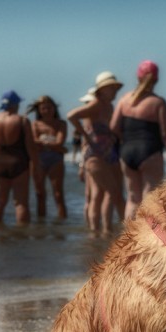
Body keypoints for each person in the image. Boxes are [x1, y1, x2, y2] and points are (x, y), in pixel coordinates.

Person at [111, 60, 166, 220]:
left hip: (127, 152)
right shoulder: (158, 102)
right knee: (149, 199)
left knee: (132, 198)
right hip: (150, 152)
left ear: (137, 76)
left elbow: (113, 127)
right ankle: (146, 239)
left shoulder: (124, 99)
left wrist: (126, 141)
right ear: (156, 80)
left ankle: (128, 239)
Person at [68, 72, 125, 235]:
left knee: (107, 193)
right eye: (111, 88)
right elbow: (71, 116)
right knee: (113, 194)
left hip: (110, 153)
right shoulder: (96, 104)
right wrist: (86, 137)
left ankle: (105, 230)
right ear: (102, 90)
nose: (114, 91)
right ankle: (121, 232)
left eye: (115, 88)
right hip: (95, 155)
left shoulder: (110, 106)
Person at [0, 90, 35, 226]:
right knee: (20, 203)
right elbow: (30, 147)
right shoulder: (23, 121)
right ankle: (22, 236)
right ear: (16, 104)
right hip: (18, 163)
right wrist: (35, 164)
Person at [27, 95, 68, 220]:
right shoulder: (35, 124)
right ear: (39, 110)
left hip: (55, 160)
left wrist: (44, 141)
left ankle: (62, 222)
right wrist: (54, 145)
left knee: (58, 193)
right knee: (40, 194)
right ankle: (41, 223)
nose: (47, 111)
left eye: (49, 107)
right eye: (43, 108)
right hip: (38, 160)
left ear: (54, 108)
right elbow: (33, 141)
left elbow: (59, 142)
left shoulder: (61, 124)